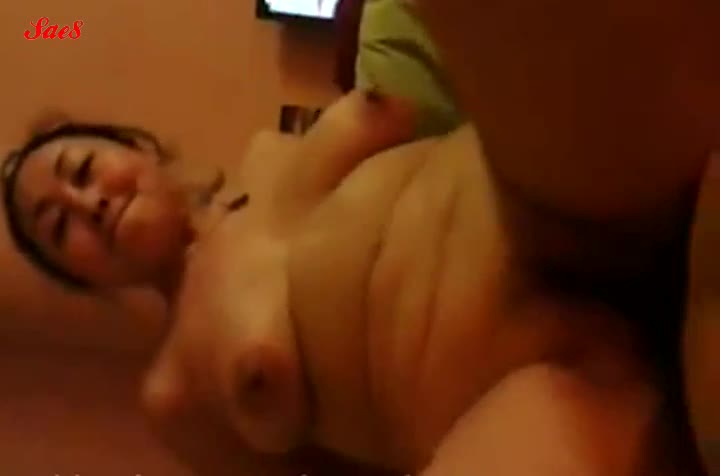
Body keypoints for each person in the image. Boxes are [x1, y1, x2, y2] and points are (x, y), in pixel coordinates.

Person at [1, 81, 692, 476]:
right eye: (60, 229)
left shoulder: (273, 155)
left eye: (82, 171)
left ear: (136, 149)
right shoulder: (176, 390)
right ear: (83, 279)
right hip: (535, 392)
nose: (87, 204)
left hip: (556, 200)